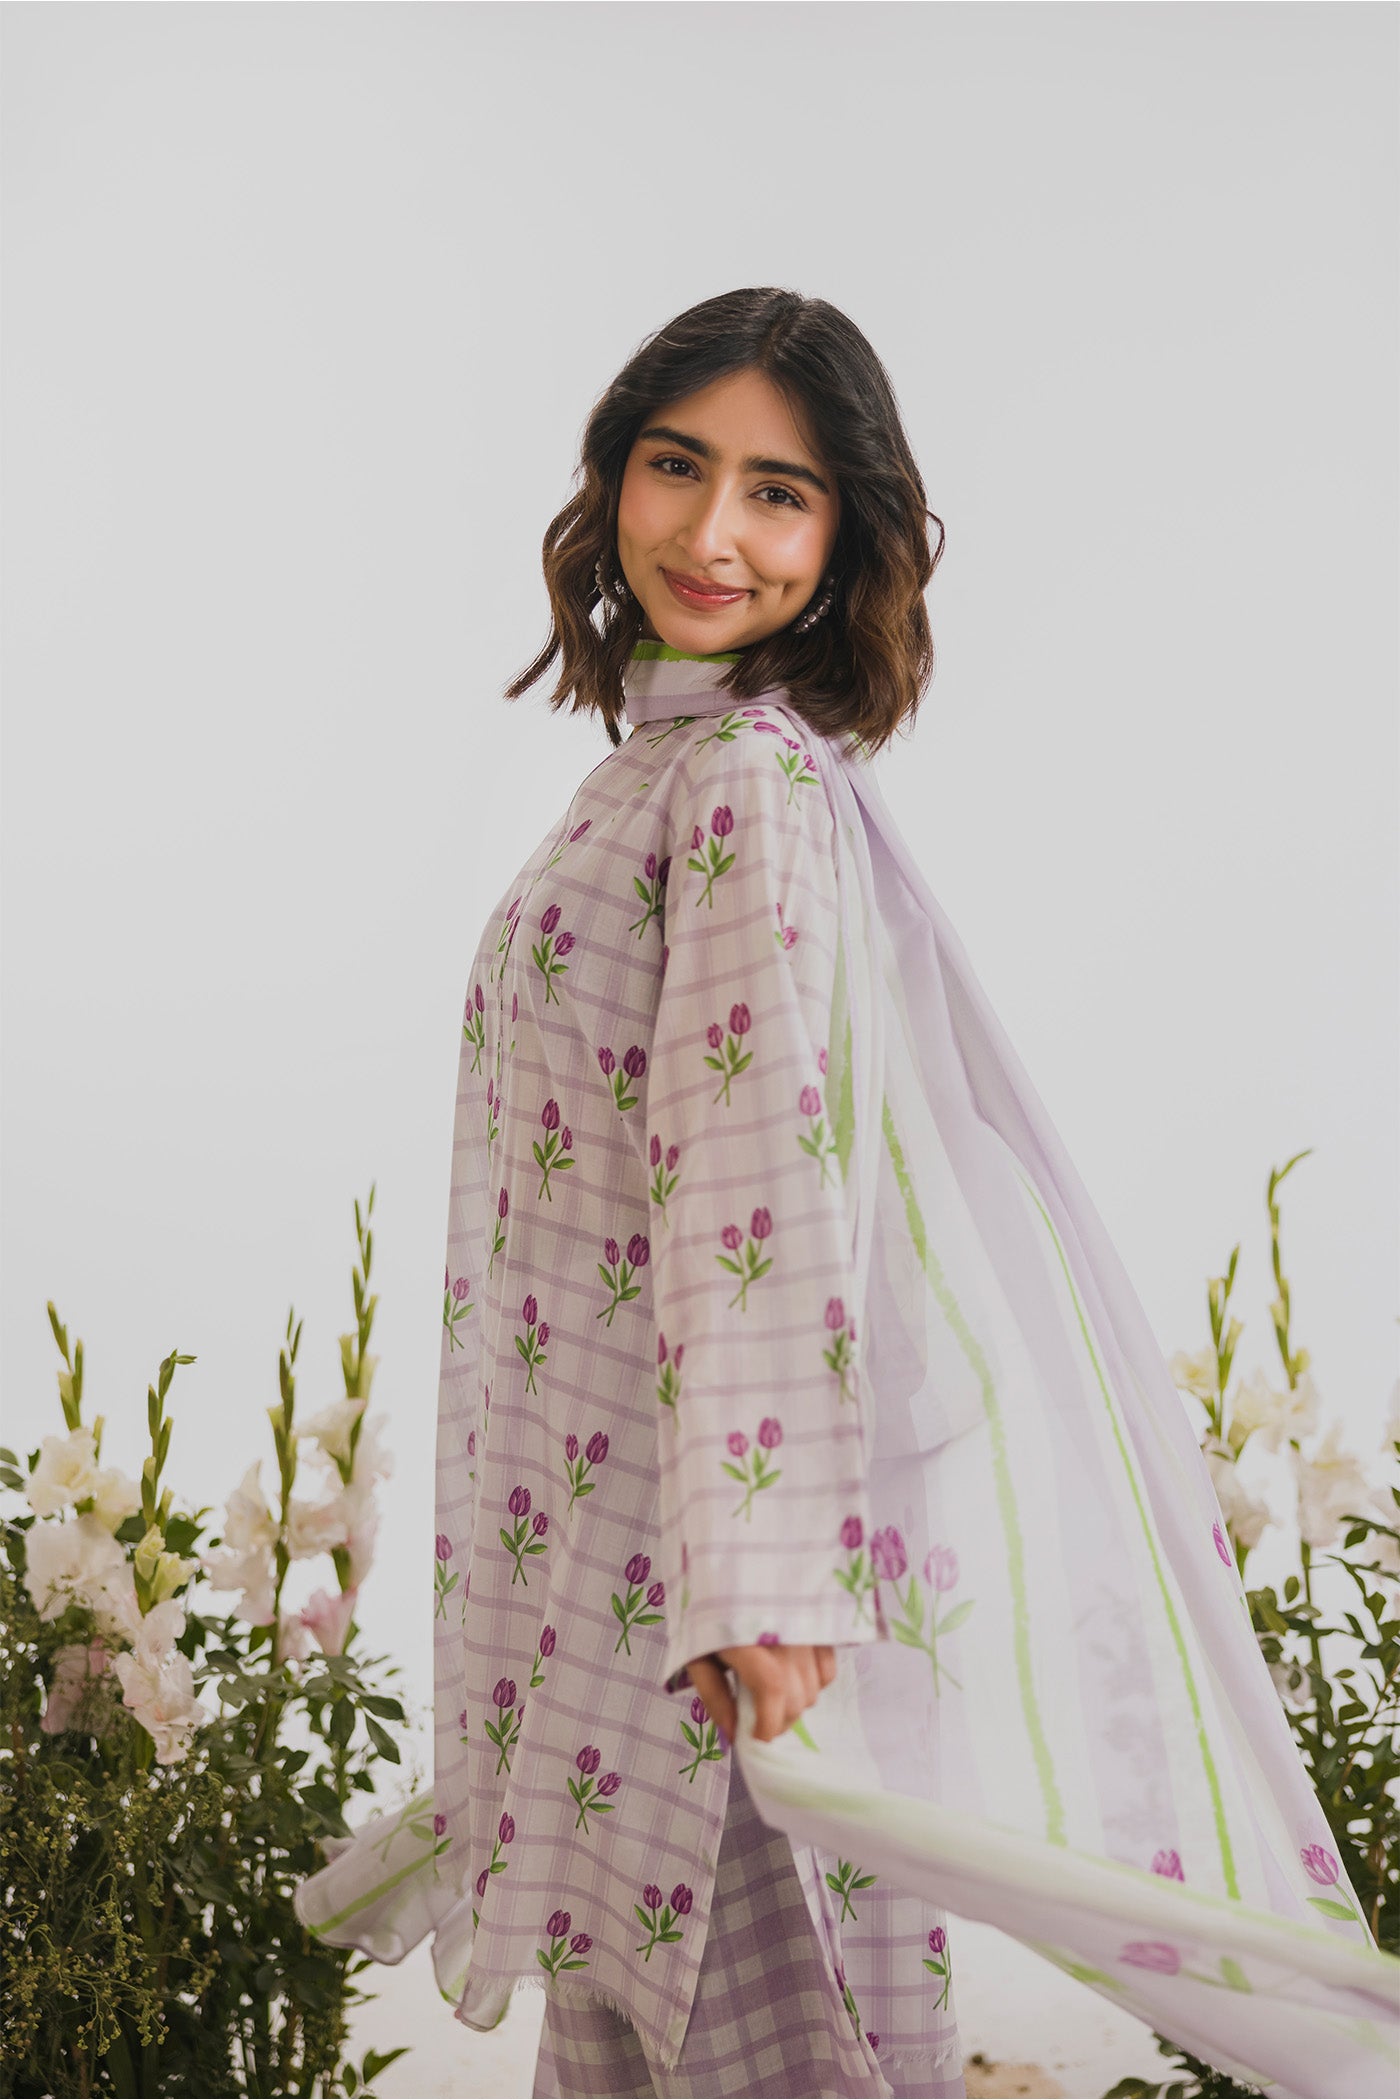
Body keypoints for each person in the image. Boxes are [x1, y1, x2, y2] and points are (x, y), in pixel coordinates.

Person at [295, 288, 1398, 2100]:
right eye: (677, 466)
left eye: (778, 493)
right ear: (612, 474)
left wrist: (759, 1585)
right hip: (601, 1568)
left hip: (704, 1616)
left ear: (846, 538)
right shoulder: (656, 770)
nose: (712, 533)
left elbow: (757, 1185)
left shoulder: (741, 785)